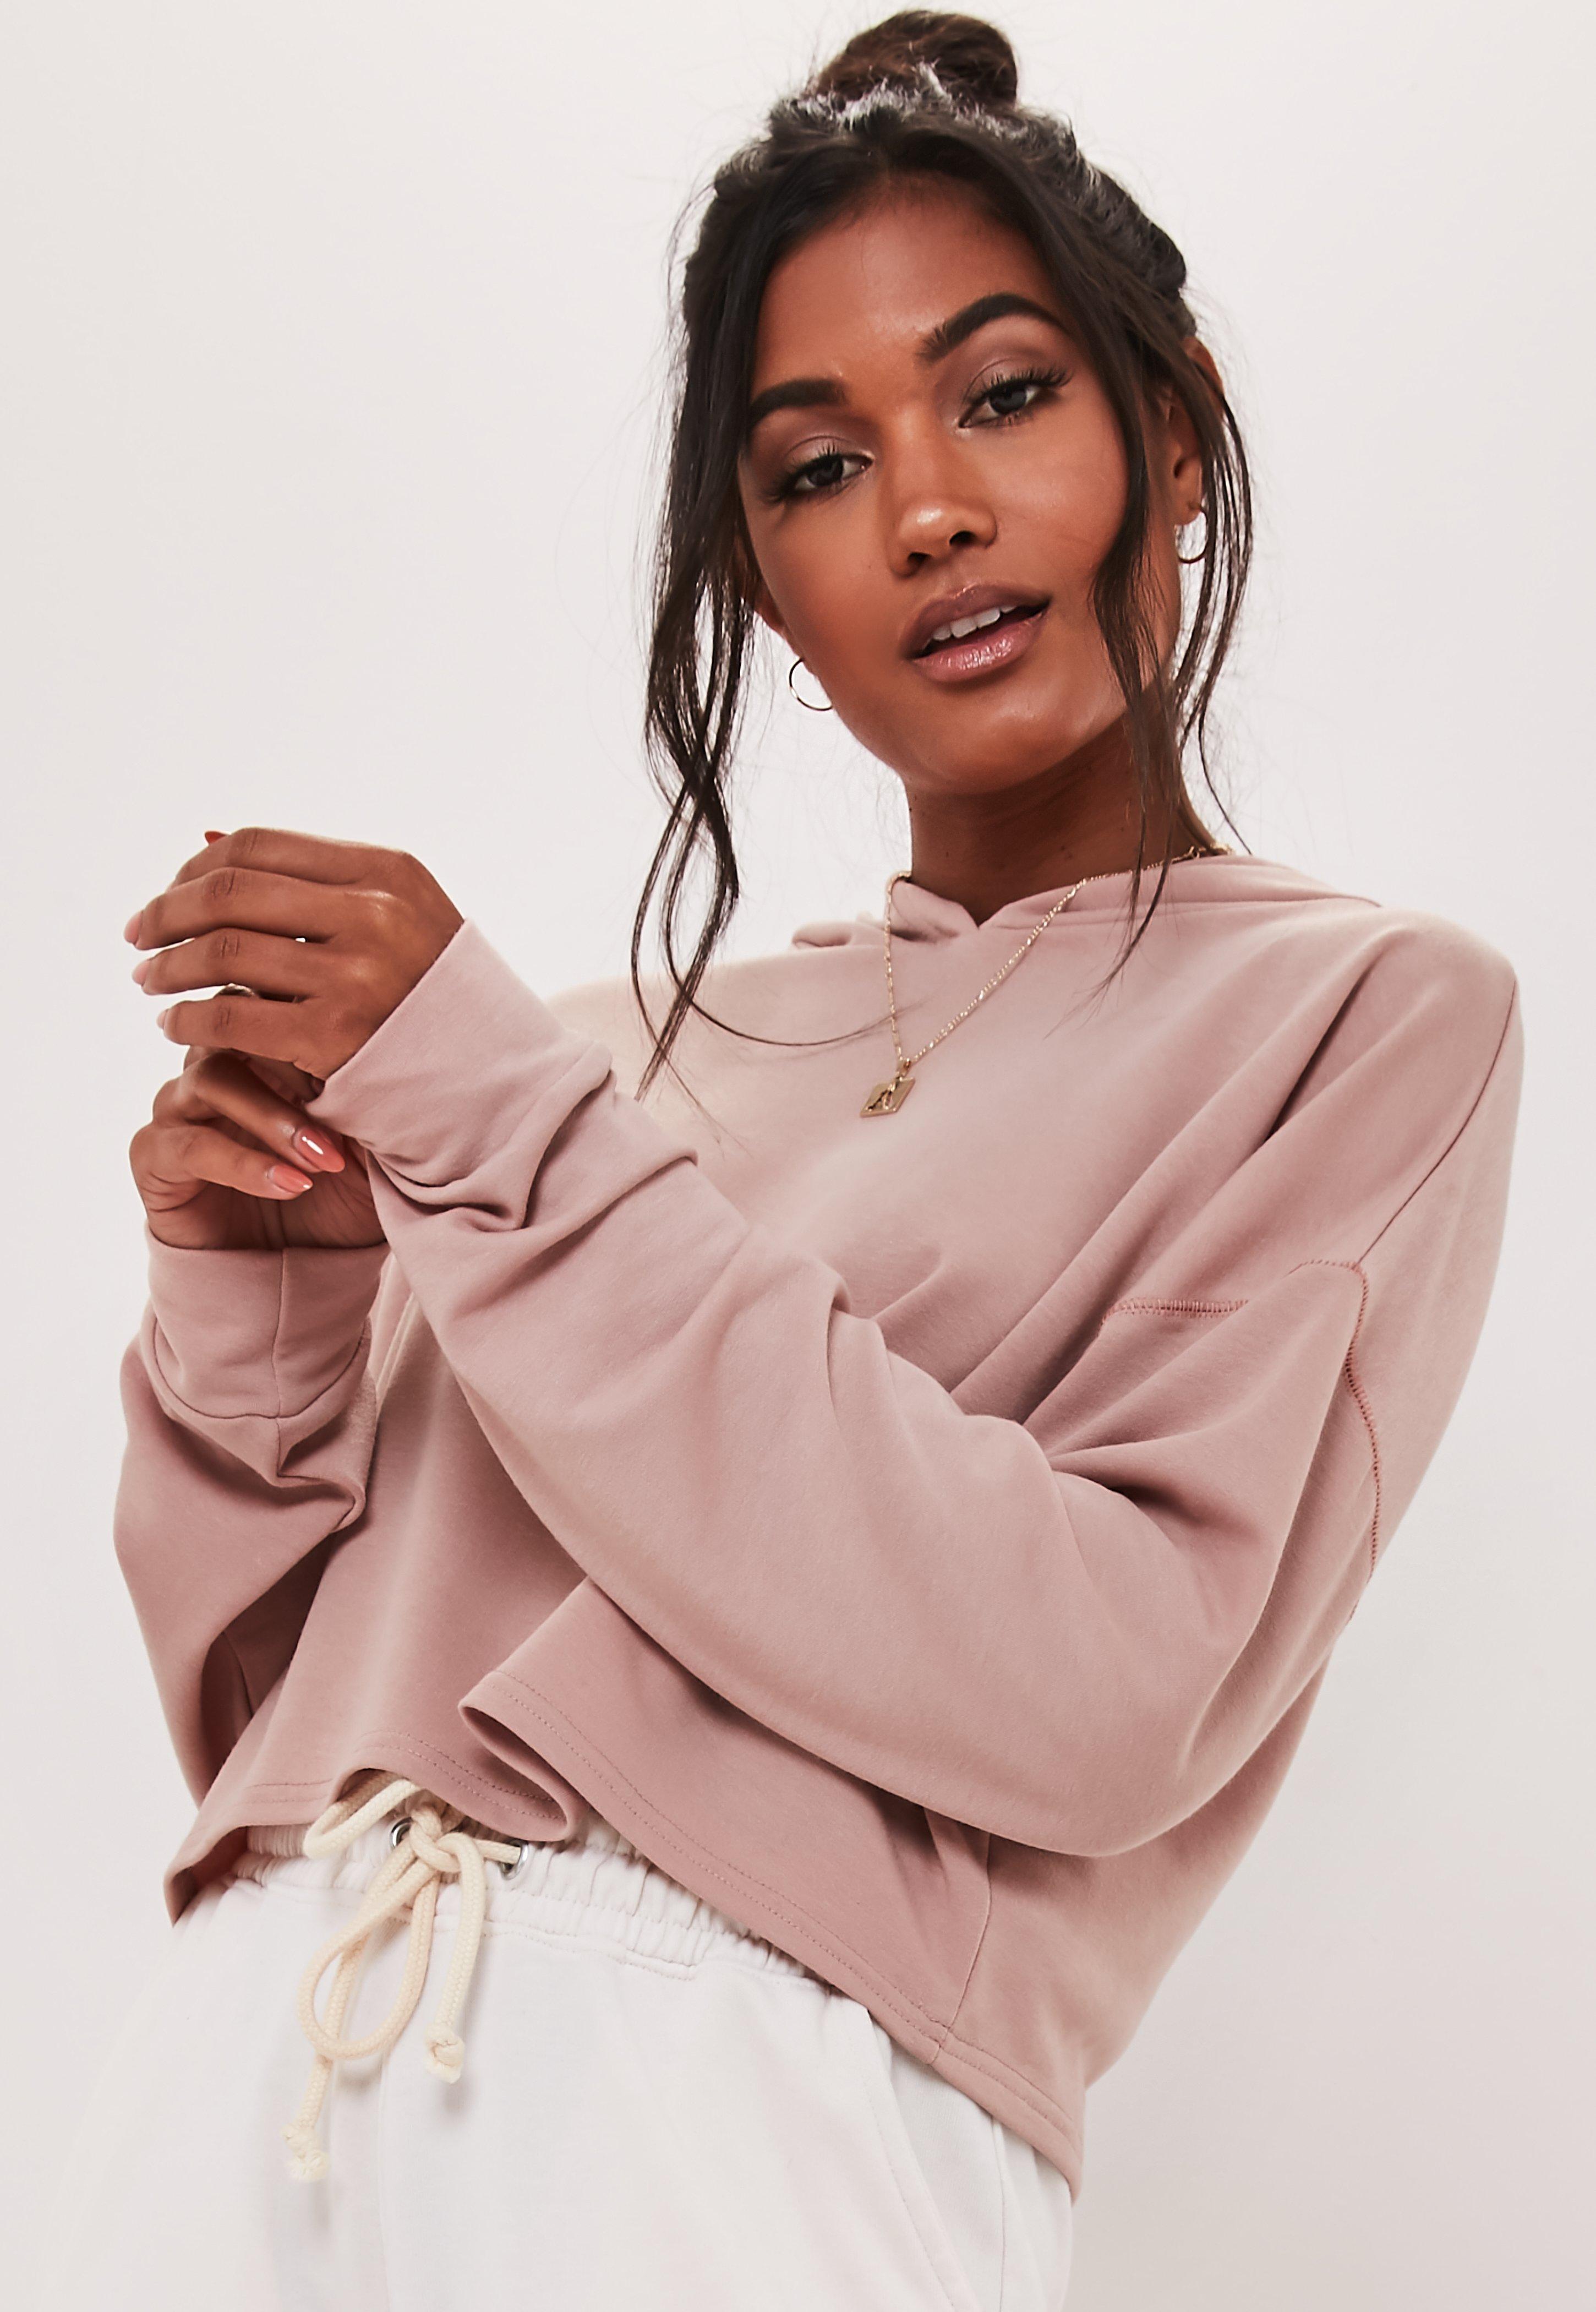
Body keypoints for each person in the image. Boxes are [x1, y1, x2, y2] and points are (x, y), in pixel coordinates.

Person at [41, 13, 1521, 2309]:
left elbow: (1108, 1687)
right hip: (265, 2054)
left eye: (1001, 396)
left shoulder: (1353, 1013)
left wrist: (498, 1134)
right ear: (756, 577)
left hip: (733, 2106)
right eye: (815, 467)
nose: (923, 510)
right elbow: (271, 1725)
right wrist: (270, 1307)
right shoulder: (574, 1060)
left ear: (1174, 434)